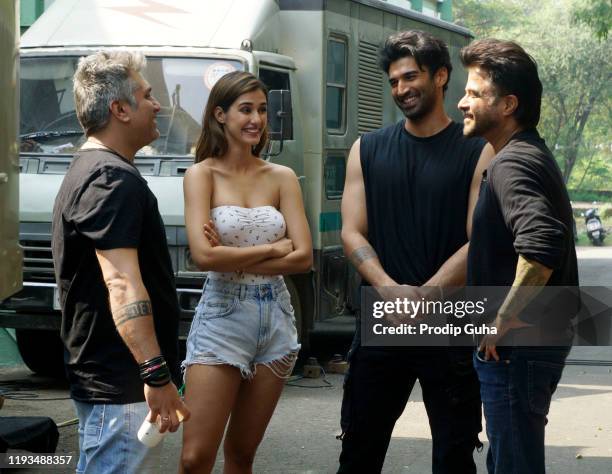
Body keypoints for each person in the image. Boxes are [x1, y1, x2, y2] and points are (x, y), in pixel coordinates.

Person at [338, 30, 495, 473]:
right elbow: (351, 232)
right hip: (384, 315)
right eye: (394, 81)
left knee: (453, 455)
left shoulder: (477, 149)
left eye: (411, 77)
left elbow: (476, 239)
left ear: (441, 76)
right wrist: (390, 290)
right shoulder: (365, 149)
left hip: (449, 319)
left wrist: (425, 294)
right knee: (358, 452)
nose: (401, 89)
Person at [51, 51, 190, 473]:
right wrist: (156, 375)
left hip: (113, 380)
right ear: (120, 109)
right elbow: (123, 284)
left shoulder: (93, 169)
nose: (158, 105)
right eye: (148, 95)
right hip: (122, 385)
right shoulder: (111, 179)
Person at [179, 71, 312, 473]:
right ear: (220, 115)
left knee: (241, 455)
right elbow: (203, 257)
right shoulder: (202, 175)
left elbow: (304, 257)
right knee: (194, 457)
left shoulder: (282, 177)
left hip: (276, 316)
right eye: (245, 110)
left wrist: (229, 253)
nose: (257, 119)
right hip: (222, 314)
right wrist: (273, 247)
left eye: (263, 110)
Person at [458, 39, 579, 473]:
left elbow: (542, 243)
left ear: (508, 104)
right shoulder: (527, 153)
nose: (462, 102)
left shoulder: (513, 163)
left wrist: (502, 319)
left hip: (516, 347)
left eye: (474, 93)